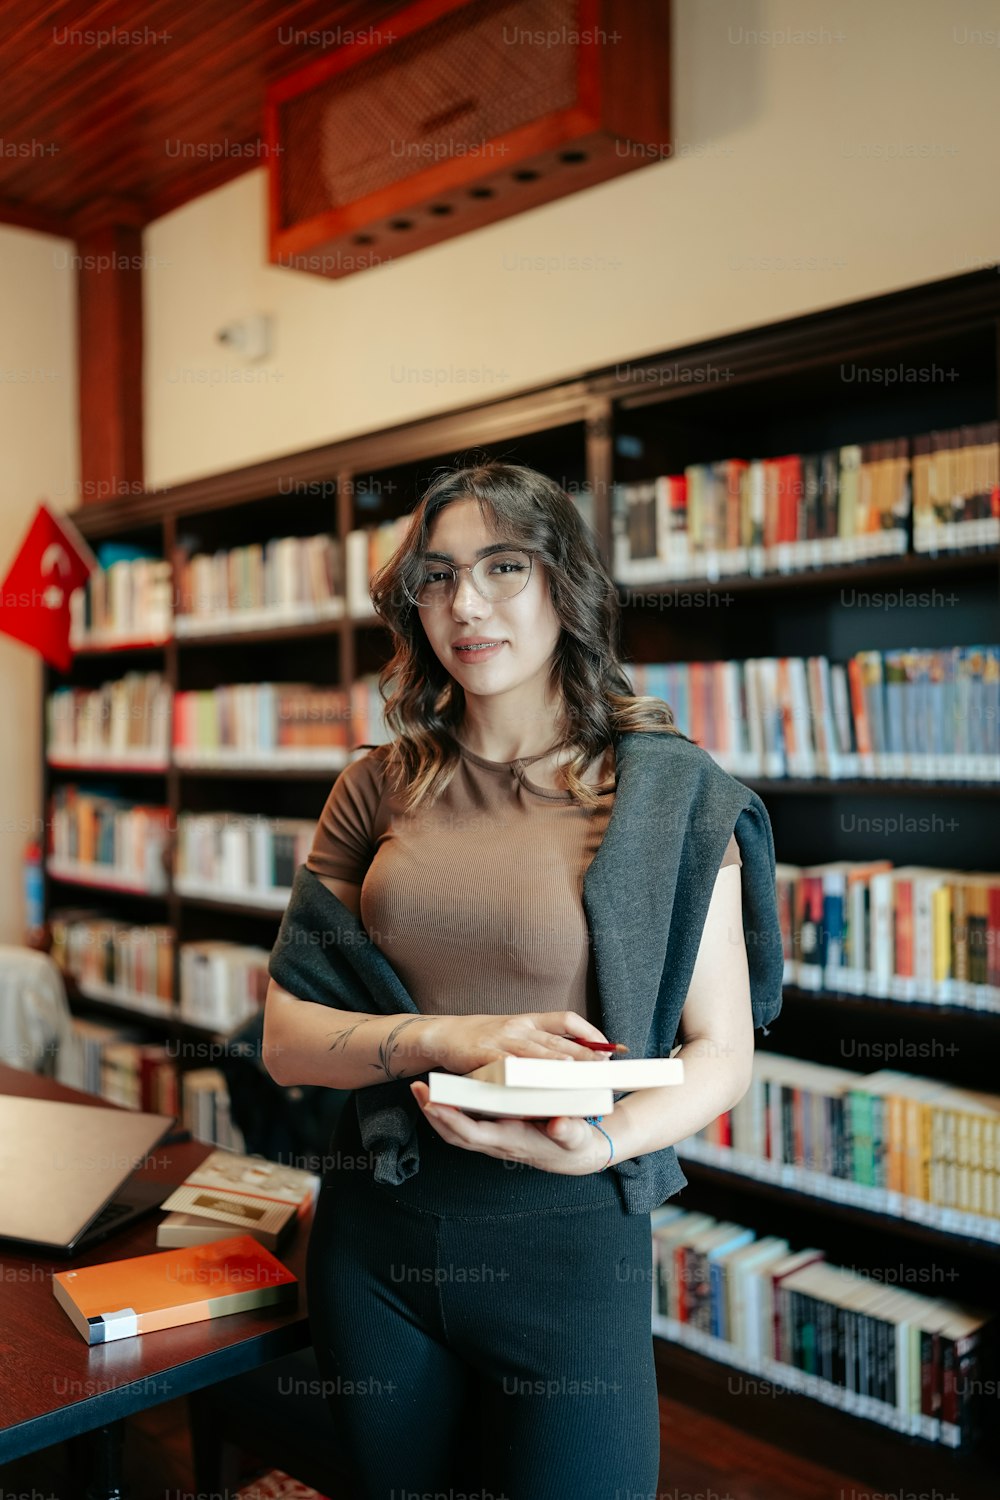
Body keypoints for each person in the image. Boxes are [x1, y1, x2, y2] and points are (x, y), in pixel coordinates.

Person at [262, 460, 764, 1500]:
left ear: (563, 585)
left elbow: (721, 1055)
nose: (465, 604)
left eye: (503, 566)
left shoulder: (668, 793)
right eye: (436, 577)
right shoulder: (374, 785)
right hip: (375, 1239)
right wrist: (450, 1039)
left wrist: (604, 1149)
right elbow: (287, 1033)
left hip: (569, 1246)